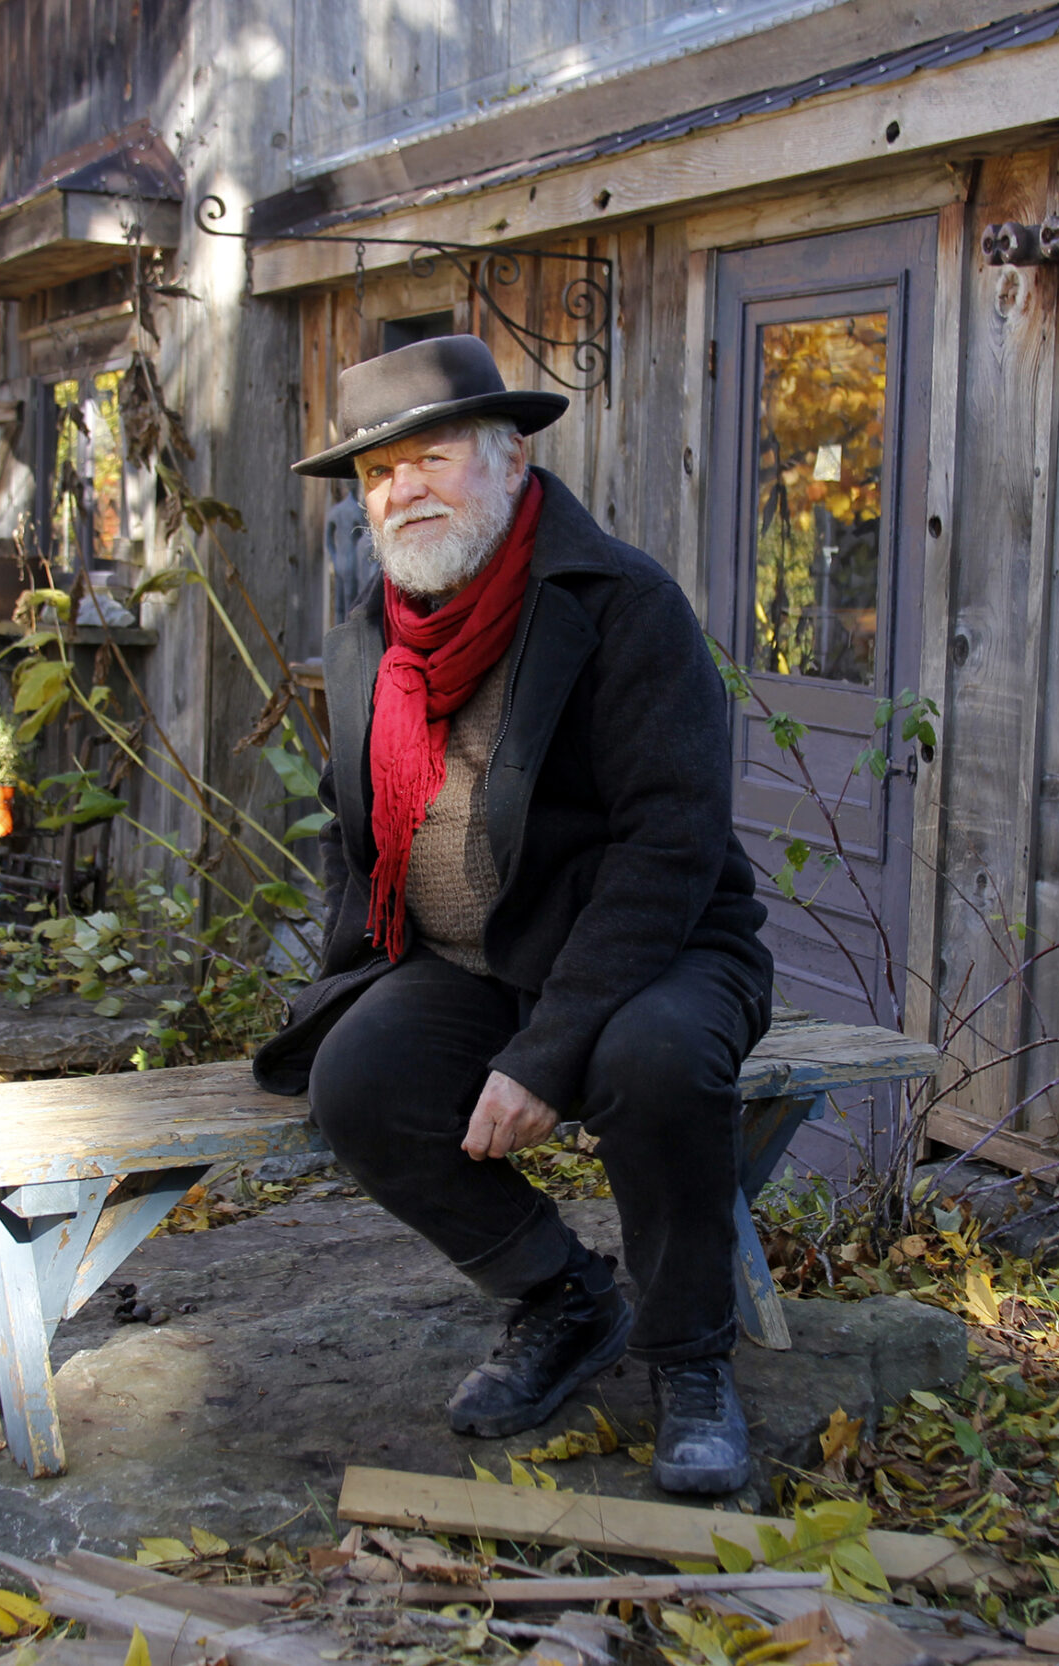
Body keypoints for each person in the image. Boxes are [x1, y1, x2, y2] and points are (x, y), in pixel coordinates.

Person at [254, 335, 773, 1493]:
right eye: (379, 473)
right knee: (358, 1080)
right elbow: (357, 839)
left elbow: (670, 845)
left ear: (510, 456)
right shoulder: (371, 632)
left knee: (652, 1058)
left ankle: (690, 1358)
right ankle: (565, 1298)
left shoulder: (619, 604)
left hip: (662, 947)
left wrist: (546, 1053)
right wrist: (345, 987)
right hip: (483, 956)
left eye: (431, 457)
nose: (404, 491)